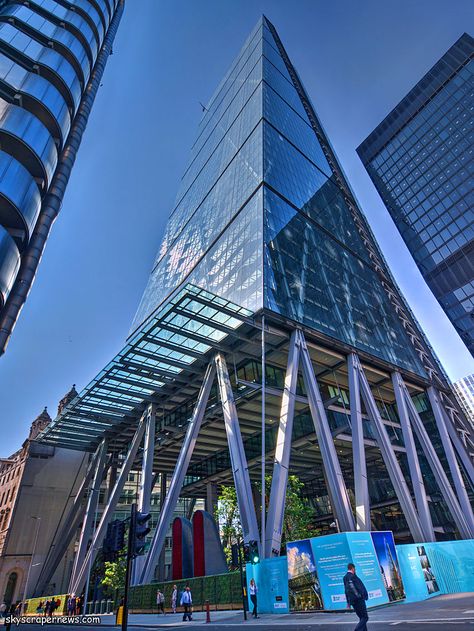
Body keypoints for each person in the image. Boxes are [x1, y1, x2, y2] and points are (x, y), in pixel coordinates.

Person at [344, 563, 369, 631]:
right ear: (353, 568)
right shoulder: (353, 576)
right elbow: (360, 587)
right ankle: (357, 630)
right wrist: (364, 596)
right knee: (365, 617)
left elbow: (346, 590)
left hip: (353, 601)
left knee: (361, 617)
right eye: (354, 569)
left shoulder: (345, 577)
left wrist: (348, 602)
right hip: (359, 599)